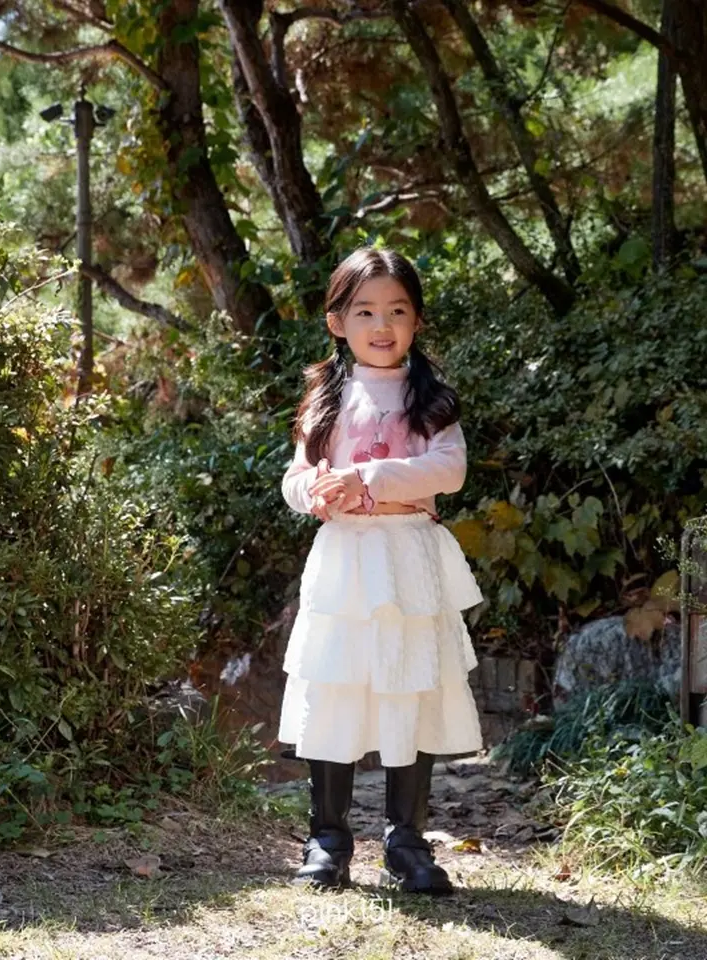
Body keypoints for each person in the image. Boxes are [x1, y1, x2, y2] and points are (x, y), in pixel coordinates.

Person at [278, 246, 483, 895]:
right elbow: (296, 476)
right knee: (337, 688)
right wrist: (314, 493)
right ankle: (329, 839)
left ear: (417, 320)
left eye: (397, 309)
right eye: (364, 310)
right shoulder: (327, 397)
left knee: (408, 687)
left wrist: (367, 476)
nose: (381, 323)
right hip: (345, 561)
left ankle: (407, 841)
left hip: (408, 558)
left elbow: (449, 469)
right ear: (337, 320)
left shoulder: (430, 399)